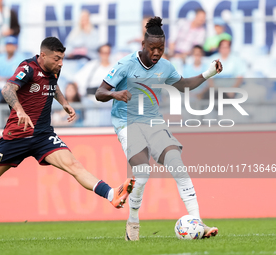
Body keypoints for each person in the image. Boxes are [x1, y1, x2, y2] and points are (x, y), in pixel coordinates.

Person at [0, 37, 134, 211]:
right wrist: (19, 110)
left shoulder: (54, 69)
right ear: (43, 55)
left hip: (43, 135)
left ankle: (111, 194)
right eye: (57, 59)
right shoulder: (27, 68)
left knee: (74, 165)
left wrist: (64, 103)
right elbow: (7, 89)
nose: (61, 63)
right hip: (17, 136)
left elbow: (53, 86)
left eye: (62, 58)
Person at [95, 17, 222, 241]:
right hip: (127, 123)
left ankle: (198, 224)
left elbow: (182, 86)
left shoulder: (165, 66)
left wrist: (208, 73)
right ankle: (132, 222)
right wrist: (115, 94)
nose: (156, 53)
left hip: (153, 122)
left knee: (178, 165)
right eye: (153, 48)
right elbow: (100, 92)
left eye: (161, 48)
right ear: (143, 45)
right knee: (143, 174)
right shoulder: (126, 64)